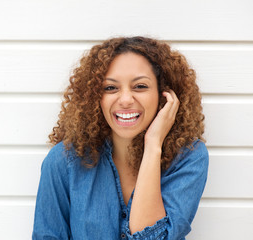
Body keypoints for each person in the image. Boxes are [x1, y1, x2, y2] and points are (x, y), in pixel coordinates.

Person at [32, 36, 209, 239]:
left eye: (140, 86)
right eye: (110, 88)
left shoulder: (189, 157)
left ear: (164, 95)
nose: (125, 100)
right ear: (94, 97)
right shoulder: (63, 161)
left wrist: (153, 146)